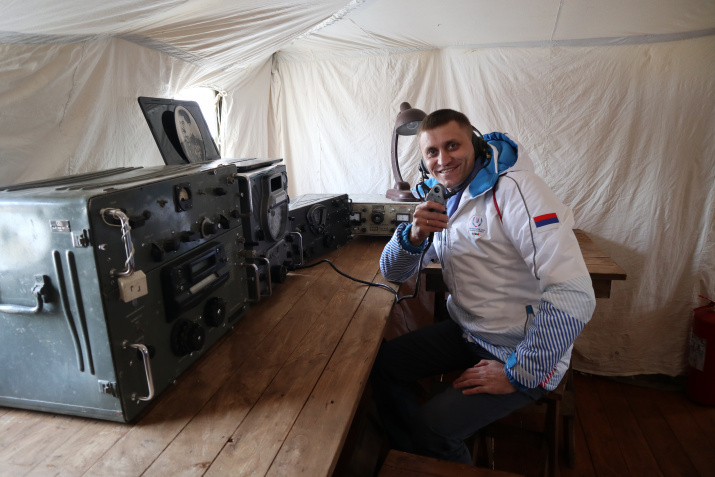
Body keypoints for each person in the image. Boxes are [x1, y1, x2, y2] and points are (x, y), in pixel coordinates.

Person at [371, 108, 596, 464]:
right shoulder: (440, 198)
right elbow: (393, 272)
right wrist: (413, 235)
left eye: (452, 145)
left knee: (433, 428)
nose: (443, 159)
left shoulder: (517, 190)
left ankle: (429, 452)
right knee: (382, 366)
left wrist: (520, 373)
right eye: (432, 152)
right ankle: (414, 459)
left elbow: (574, 293)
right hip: (469, 332)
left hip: (520, 350)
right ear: (424, 161)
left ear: (474, 144)